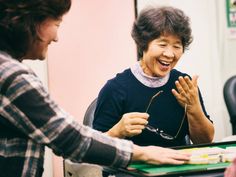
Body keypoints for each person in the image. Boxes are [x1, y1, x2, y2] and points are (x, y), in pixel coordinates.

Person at [0, 1, 191, 177]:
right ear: (31, 22)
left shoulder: (183, 82)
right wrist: (144, 154)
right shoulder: (12, 77)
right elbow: (72, 140)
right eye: (57, 24)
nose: (56, 38)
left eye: (177, 46)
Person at [93, 6, 215, 148]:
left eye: (177, 46)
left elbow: (205, 142)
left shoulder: (184, 85)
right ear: (143, 44)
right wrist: (117, 131)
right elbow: (94, 148)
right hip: (133, 168)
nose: (170, 54)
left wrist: (194, 108)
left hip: (178, 167)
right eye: (162, 44)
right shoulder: (116, 89)